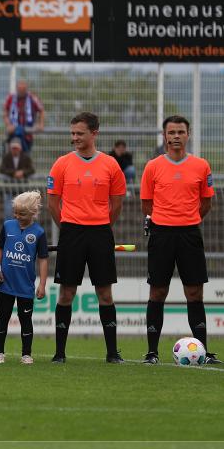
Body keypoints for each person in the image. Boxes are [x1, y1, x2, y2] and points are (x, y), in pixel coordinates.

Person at [47, 112, 126, 364]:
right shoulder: (62, 163)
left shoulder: (111, 165)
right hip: (71, 233)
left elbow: (116, 203)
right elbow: (52, 202)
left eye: (80, 133)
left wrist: (100, 224)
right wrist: (69, 226)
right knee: (66, 293)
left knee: (105, 292)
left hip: (101, 233)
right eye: (72, 133)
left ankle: (112, 353)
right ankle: (59, 353)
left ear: (95, 133)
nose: (75, 138)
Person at [141, 115, 219, 365]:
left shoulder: (201, 166)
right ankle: (152, 352)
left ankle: (203, 352)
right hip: (161, 234)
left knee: (195, 292)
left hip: (189, 234)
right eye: (171, 132)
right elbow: (146, 203)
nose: (176, 136)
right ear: (165, 135)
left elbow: (206, 202)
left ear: (188, 134)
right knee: (158, 291)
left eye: (180, 132)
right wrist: (164, 218)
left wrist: (188, 218)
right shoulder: (153, 166)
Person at [0, 191, 49, 364]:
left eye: (21, 213)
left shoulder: (39, 232)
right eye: (15, 212)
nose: (17, 216)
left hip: (26, 285)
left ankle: (26, 354)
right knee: (3, 317)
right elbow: (0, 248)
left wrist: (42, 284)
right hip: (6, 282)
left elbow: (43, 260)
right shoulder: (8, 226)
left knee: (26, 320)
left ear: (33, 213)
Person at [0, 137, 36, 219]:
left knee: (23, 212)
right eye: (13, 148)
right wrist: (14, 173)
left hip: (22, 189)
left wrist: (22, 172)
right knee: (8, 212)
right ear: (10, 148)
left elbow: (32, 169)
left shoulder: (25, 157)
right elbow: (2, 169)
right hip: (9, 189)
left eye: (16, 148)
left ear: (20, 148)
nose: (15, 150)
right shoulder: (6, 157)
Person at [3, 80, 44, 152]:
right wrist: (8, 125)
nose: (21, 91)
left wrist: (40, 124)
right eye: (19, 89)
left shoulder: (32, 98)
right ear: (17, 88)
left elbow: (41, 110)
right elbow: (5, 112)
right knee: (12, 154)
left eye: (23, 89)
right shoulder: (11, 98)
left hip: (28, 135)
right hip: (13, 134)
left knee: (25, 158)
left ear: (26, 89)